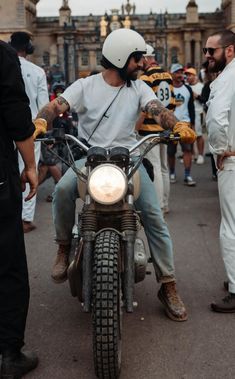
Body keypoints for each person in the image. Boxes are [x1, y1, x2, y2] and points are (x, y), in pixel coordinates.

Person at [35, 28, 196, 322]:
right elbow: (56, 105)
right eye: (137, 58)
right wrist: (42, 120)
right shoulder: (85, 86)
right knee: (61, 191)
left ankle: (168, 284)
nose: (141, 63)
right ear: (122, 58)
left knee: (153, 215)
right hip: (89, 159)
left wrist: (176, 125)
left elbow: (156, 109)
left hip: (129, 160)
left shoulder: (138, 88)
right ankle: (63, 247)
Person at [0, 39, 40, 378]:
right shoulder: (2, 55)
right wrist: (30, 165)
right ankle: (10, 353)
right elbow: (16, 114)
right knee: (8, 265)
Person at [205, 30, 235, 312]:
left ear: (229, 50)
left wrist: (219, 149)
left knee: (231, 226)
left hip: (233, 159)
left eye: (211, 51)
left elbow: (216, 118)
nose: (206, 56)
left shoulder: (227, 77)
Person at [10, 31, 49, 233]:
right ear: (29, 48)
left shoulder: (4, 66)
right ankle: (25, 219)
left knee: (8, 172)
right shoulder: (37, 72)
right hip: (30, 131)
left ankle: (9, 215)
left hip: (6, 129)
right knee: (29, 170)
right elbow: (43, 106)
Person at [136, 44, 175, 214]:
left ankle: (158, 206)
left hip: (149, 130)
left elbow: (145, 108)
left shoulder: (145, 78)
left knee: (155, 167)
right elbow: (171, 104)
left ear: (145, 58)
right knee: (164, 168)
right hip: (165, 128)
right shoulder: (167, 76)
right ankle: (165, 202)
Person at [168, 63, 196, 186]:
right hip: (171, 125)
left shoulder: (188, 89)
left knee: (187, 150)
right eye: (177, 72)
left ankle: (187, 175)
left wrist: (193, 124)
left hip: (185, 124)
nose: (180, 75)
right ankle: (172, 173)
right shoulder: (168, 89)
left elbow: (191, 108)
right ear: (172, 74)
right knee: (171, 152)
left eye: (181, 72)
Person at [185, 67, 205, 164]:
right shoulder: (185, 86)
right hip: (188, 114)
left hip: (198, 112)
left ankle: (200, 155)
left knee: (199, 135)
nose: (187, 77)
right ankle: (192, 154)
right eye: (187, 75)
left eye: (189, 75)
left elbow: (205, 100)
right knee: (189, 136)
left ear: (194, 76)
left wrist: (196, 96)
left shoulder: (201, 86)